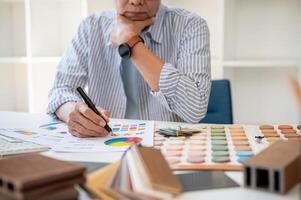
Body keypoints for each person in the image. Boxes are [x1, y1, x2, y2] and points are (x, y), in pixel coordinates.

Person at [47, 0, 211, 138]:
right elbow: (60, 90)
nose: (136, 1)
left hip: (168, 146)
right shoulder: (91, 26)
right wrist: (74, 113)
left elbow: (195, 109)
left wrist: (131, 42)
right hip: (105, 143)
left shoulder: (190, 26)